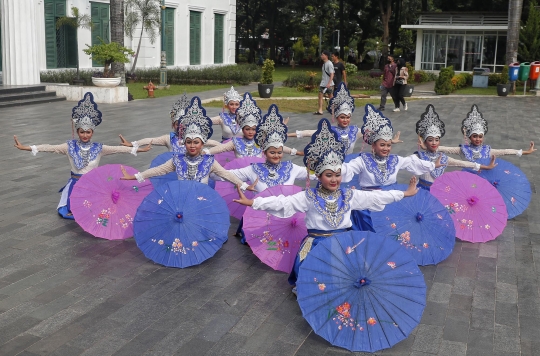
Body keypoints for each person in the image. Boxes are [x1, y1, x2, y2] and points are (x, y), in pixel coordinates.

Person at [233, 118, 419, 293]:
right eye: (328, 175)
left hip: (344, 244)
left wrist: (404, 193)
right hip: (317, 245)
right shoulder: (309, 196)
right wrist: (253, 202)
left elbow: (375, 198)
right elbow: (283, 202)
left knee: (353, 282)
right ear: (319, 177)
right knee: (313, 286)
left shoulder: (349, 195)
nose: (334, 179)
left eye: (337, 175)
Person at [13, 92, 152, 219]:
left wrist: (139, 149)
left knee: (94, 213)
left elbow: (119, 149)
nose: (85, 135)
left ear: (92, 132)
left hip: (93, 185)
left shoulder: (99, 148)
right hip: (75, 185)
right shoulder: (69, 147)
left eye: (88, 132)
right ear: (78, 132)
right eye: (82, 132)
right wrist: (27, 147)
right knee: (74, 212)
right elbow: (50, 148)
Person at [341, 104, 443, 231]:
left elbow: (410, 162)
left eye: (389, 145)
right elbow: (348, 169)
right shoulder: (362, 160)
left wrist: (433, 165)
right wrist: (330, 170)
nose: (386, 148)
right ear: (373, 146)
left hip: (391, 206)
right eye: (382, 145)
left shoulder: (395, 160)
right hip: (367, 208)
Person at [223, 104, 316, 243]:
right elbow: (228, 175)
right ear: (264, 152)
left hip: (287, 218)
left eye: (279, 152)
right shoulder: (253, 169)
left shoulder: (291, 167)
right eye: (272, 152)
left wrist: (319, 164)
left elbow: (314, 174)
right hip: (261, 218)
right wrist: (212, 168)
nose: (276, 156)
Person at [121, 97, 255, 192]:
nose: (192, 145)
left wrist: (244, 186)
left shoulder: (210, 162)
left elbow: (227, 175)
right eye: (189, 142)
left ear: (202, 144)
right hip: (180, 200)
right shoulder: (177, 160)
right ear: (184, 143)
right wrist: (135, 176)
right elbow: (157, 170)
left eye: (196, 142)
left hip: (202, 203)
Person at [289, 83, 402, 154]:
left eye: (348, 117)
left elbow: (376, 137)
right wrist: (287, 134)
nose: (345, 120)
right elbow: (308, 133)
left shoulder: (355, 131)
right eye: (342, 117)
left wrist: (392, 141)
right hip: (333, 166)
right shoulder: (330, 131)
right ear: (337, 118)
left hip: (350, 166)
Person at [415, 104, 497, 190]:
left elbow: (465, 164)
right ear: (425, 141)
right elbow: (402, 162)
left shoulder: (443, 158)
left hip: (437, 191)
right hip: (420, 190)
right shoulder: (419, 157)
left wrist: (486, 167)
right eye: (430, 140)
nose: (434, 143)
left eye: (436, 140)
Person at [208, 93, 302, 158]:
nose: (234, 106)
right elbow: (205, 122)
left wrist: (279, 127)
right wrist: (206, 150)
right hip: (227, 153)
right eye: (231, 104)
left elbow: (275, 144)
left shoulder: (259, 138)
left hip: (251, 151)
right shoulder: (222, 118)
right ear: (227, 105)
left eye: (236, 104)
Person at [433, 104, 536, 164]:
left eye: (480, 136)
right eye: (475, 136)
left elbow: (505, 151)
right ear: (469, 137)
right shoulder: (463, 150)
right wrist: (429, 146)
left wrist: (526, 152)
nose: (478, 139)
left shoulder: (487, 151)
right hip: (467, 179)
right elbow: (445, 149)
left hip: (484, 180)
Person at [118, 93, 219, 153]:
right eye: (177, 123)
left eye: (183, 123)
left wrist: (229, 147)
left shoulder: (195, 138)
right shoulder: (169, 139)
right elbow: (150, 140)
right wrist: (132, 144)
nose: (180, 126)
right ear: (173, 125)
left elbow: (213, 143)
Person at [314, 50, 334, 115]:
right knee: (320, 95)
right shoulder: (324, 64)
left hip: (329, 84)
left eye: (322, 55)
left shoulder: (329, 63)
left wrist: (329, 83)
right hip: (323, 83)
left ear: (326, 56)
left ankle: (334, 109)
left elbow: (332, 74)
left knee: (331, 97)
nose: (321, 56)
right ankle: (320, 110)